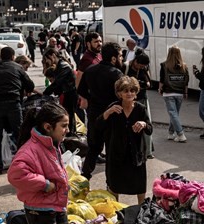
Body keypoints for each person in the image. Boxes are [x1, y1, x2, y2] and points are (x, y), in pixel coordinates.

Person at [8, 102, 92, 224]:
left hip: (57, 208)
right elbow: (15, 175)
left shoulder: (51, 144)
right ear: (48, 127)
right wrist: (44, 184)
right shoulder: (30, 149)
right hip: (40, 212)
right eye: (63, 126)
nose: (67, 130)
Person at [98, 76, 152, 204]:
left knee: (139, 184)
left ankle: (141, 209)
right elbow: (98, 126)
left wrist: (143, 124)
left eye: (132, 91)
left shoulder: (140, 109)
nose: (129, 93)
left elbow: (150, 129)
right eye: (125, 91)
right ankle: (115, 210)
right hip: (116, 153)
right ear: (119, 93)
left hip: (136, 153)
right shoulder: (114, 107)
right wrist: (107, 113)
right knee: (114, 184)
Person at [77, 42, 124, 179]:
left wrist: (93, 99)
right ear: (113, 58)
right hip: (112, 116)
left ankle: (84, 178)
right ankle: (111, 182)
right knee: (111, 149)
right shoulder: (117, 74)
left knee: (93, 148)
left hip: (94, 114)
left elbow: (81, 90)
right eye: (120, 56)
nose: (122, 59)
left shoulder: (90, 70)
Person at [0, 46, 35, 172]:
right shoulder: (18, 68)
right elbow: (30, 85)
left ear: (0, 57)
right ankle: (23, 165)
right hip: (13, 104)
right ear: (13, 57)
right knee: (19, 134)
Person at [43, 48, 78, 136]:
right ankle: (70, 133)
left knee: (69, 114)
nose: (47, 61)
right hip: (67, 92)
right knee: (69, 113)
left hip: (71, 93)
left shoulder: (63, 66)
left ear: (53, 56)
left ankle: (71, 134)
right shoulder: (60, 65)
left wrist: (45, 93)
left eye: (47, 59)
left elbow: (57, 82)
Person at [158, 46, 189, 143]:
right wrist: (186, 92)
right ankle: (171, 133)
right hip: (179, 93)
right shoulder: (184, 66)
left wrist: (160, 89)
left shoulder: (164, 65)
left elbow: (162, 79)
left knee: (173, 113)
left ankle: (181, 134)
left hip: (168, 92)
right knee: (174, 114)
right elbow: (186, 81)